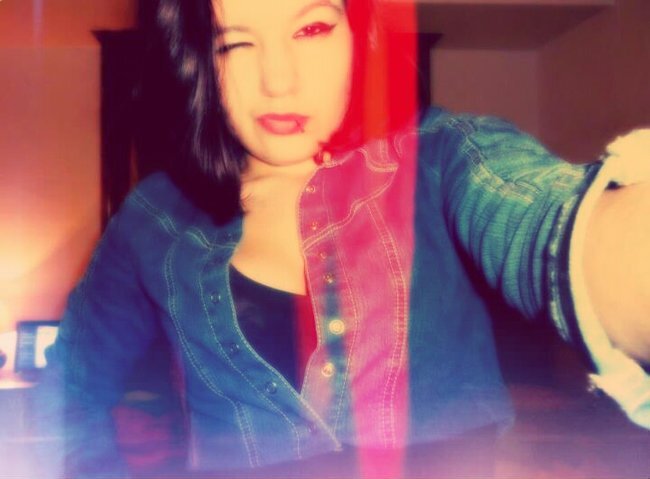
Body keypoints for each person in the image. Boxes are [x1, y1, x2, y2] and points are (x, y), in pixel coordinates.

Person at [43, 0, 650, 477]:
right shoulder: (154, 217)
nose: (278, 82)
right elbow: (70, 390)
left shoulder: (442, 158)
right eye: (233, 43)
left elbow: (549, 222)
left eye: (311, 29)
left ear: (361, 33)